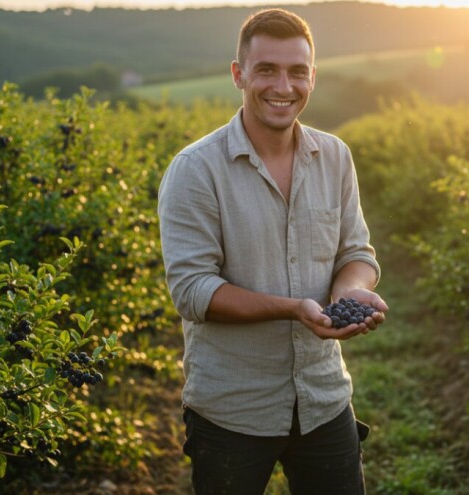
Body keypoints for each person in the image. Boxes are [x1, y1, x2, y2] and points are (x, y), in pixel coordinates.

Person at [156, 8, 387, 494]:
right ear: (238, 74)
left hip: (324, 399)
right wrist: (294, 310)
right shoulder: (196, 169)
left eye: (297, 71)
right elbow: (193, 291)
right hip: (232, 408)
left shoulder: (335, 157)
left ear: (312, 78)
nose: (283, 85)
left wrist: (352, 291)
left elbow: (357, 253)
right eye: (266, 69)